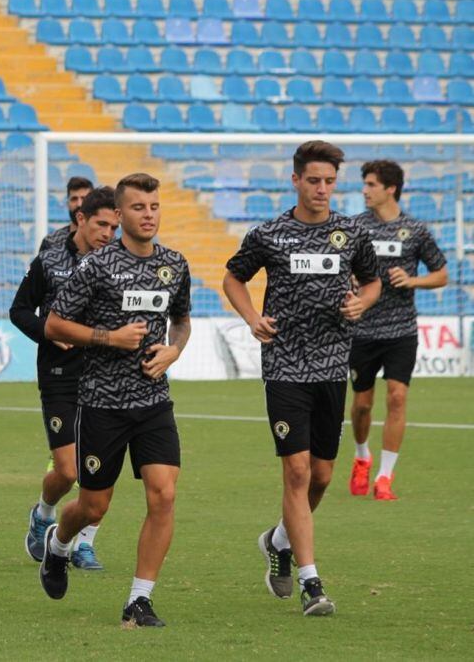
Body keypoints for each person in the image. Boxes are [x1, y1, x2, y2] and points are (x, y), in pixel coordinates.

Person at [223, 141, 381, 617]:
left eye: (330, 181)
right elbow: (233, 277)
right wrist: (252, 316)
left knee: (321, 476)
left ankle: (277, 539)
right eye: (313, 180)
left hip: (333, 366)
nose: (322, 189)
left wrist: (364, 302)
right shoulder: (270, 233)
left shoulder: (350, 233)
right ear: (296, 180)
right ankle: (313, 584)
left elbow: (372, 280)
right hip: (286, 365)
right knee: (296, 471)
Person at [40, 174, 191, 629]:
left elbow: (181, 320)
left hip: (153, 401)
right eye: (139, 207)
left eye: (155, 206)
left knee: (163, 495)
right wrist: (110, 337)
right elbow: (54, 324)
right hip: (102, 402)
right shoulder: (97, 266)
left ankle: (138, 601)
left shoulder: (174, 264)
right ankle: (58, 544)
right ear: (121, 214)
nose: (149, 214)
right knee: (93, 507)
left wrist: (174, 350)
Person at [10, 187, 118, 571]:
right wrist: (49, 331)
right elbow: (19, 310)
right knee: (68, 471)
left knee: (100, 467)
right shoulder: (49, 260)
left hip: (106, 375)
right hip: (59, 374)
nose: (108, 233)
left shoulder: (120, 263)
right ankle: (43, 513)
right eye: (101, 224)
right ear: (81, 220)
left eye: (113, 226)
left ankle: (84, 542)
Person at [348, 161, 448, 500]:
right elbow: (341, 266)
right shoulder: (355, 227)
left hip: (401, 330)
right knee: (362, 405)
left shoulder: (415, 230)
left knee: (397, 396)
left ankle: (385, 477)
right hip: (362, 329)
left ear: (390, 189)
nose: (365, 190)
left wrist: (413, 280)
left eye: (371, 184)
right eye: (365, 183)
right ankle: (362, 456)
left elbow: (442, 274)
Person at [39, 176, 95, 252]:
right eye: (74, 199)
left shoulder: (104, 242)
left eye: (84, 198)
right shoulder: (51, 242)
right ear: (67, 204)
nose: (79, 204)